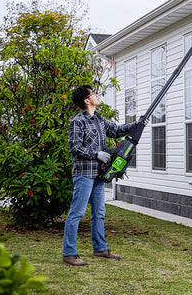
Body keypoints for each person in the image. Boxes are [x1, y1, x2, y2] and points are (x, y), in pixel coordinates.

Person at [62, 85, 140, 266]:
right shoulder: (78, 121)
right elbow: (75, 147)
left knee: (99, 212)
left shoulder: (98, 119)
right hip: (84, 174)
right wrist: (96, 154)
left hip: (99, 174)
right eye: (93, 94)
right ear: (86, 100)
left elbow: (116, 130)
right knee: (77, 213)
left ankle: (100, 249)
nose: (96, 95)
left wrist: (137, 124)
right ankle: (69, 254)